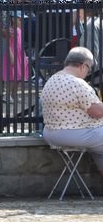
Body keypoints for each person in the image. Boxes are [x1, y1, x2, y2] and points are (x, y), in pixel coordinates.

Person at [41, 47, 103, 175]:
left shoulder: (51, 80)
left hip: (51, 134)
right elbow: (97, 112)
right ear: (83, 65)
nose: (87, 72)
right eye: (89, 68)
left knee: (99, 151)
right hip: (75, 134)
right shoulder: (78, 83)